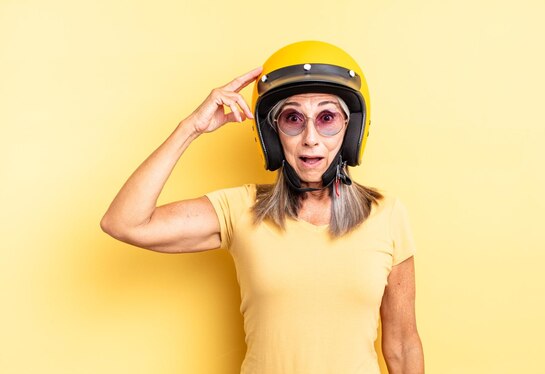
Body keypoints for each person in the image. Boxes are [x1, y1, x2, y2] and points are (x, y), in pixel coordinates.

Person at [101, 41, 424, 374]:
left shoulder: (387, 215)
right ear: (272, 134)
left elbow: (402, 344)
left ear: (350, 128)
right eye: (293, 119)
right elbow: (124, 222)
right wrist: (191, 128)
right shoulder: (240, 209)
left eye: (326, 118)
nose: (310, 138)